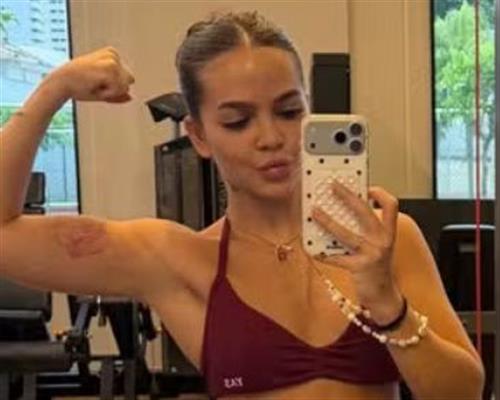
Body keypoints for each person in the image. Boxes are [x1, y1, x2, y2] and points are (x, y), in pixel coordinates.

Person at [0, 11, 484, 400]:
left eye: (289, 111)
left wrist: (388, 304)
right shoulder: (180, 261)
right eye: (237, 121)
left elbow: (464, 392)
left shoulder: (383, 241)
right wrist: (53, 89)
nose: (271, 137)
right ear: (198, 135)